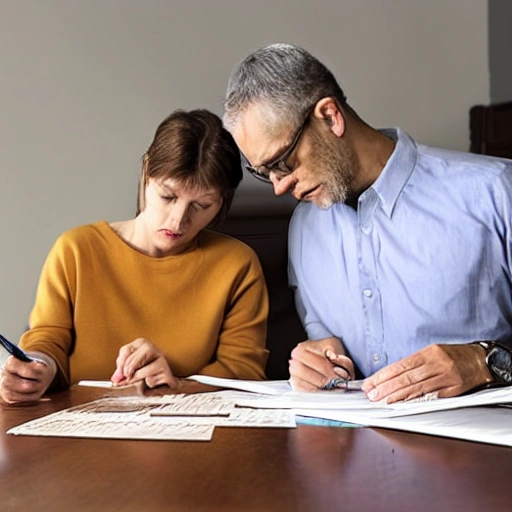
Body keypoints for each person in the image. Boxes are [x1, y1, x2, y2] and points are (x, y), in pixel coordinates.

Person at [223, 43, 512, 403]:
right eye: (265, 173)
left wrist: (485, 362)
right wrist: (317, 361)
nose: (280, 187)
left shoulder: (495, 192)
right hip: (357, 451)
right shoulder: (304, 229)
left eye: (283, 162)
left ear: (330, 116)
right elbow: (326, 344)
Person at [0, 109, 269, 404]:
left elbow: (244, 371)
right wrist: (37, 368)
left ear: (223, 202)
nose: (178, 221)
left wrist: (174, 384)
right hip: (79, 433)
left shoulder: (237, 265)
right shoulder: (76, 250)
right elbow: (47, 339)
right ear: (146, 172)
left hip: (187, 434)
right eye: (168, 196)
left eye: (202, 205)